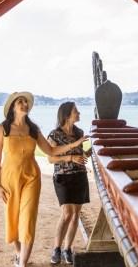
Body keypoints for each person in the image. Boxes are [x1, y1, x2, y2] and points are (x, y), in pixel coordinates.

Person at [0, 92, 88, 267]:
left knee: (28, 219)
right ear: (13, 107)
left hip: (31, 176)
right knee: (13, 218)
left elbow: (51, 151)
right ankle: (18, 253)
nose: (24, 104)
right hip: (9, 177)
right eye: (20, 102)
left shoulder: (34, 129)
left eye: (26, 102)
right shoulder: (2, 129)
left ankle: (22, 263)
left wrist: (75, 145)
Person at [47, 102, 91, 265]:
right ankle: (56, 249)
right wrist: (70, 157)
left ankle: (68, 248)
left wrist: (87, 147)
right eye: (76, 111)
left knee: (75, 215)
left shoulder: (80, 132)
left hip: (80, 175)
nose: (79, 113)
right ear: (67, 115)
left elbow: (86, 152)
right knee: (67, 213)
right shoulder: (54, 135)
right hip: (63, 177)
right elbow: (51, 158)